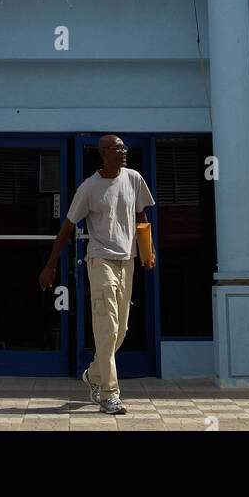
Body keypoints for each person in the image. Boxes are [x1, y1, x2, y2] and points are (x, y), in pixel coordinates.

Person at [38, 135, 155, 415]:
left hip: (127, 260)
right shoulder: (89, 188)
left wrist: (148, 251)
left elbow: (141, 216)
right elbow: (67, 227)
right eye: (117, 148)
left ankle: (93, 374)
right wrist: (51, 264)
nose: (123, 152)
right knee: (107, 326)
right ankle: (108, 395)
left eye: (125, 147)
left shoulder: (134, 178)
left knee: (121, 331)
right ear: (103, 153)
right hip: (99, 259)